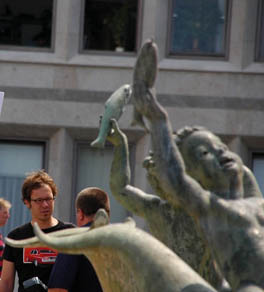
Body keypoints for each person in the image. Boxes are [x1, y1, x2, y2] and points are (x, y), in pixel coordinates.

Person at [131, 40, 264, 292]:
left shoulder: (257, 201)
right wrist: (158, 119)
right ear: (194, 174)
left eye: (222, 147)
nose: (220, 154)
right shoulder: (210, 208)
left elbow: (242, 173)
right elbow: (175, 177)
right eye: (205, 153)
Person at [1, 170, 74, 292]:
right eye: (39, 200)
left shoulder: (69, 233)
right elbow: (6, 282)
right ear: (27, 202)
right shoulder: (16, 237)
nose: (45, 205)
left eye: (49, 199)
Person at [47, 187, 110, 292]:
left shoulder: (74, 241)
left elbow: (57, 289)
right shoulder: (124, 242)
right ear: (107, 214)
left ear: (80, 214)